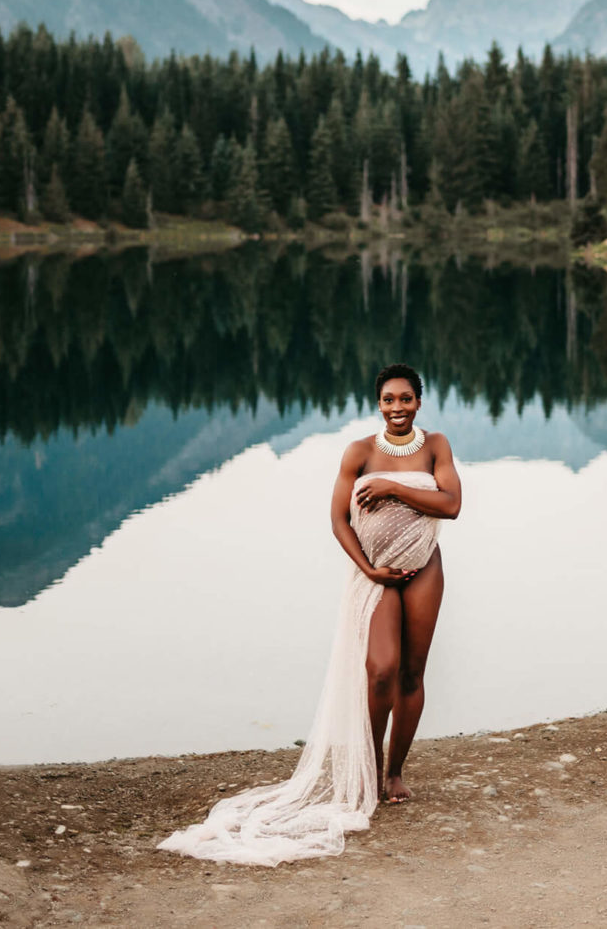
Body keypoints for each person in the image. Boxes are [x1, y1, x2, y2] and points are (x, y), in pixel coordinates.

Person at [158, 363, 462, 865]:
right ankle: (364, 771)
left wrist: (394, 489)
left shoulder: (437, 446)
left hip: (425, 567)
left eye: (405, 399)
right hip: (377, 575)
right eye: (388, 399)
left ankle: (394, 772)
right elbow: (338, 518)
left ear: (419, 402)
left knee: (412, 672)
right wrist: (367, 567)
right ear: (378, 403)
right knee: (381, 669)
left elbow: (450, 505)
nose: (397, 408)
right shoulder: (359, 452)